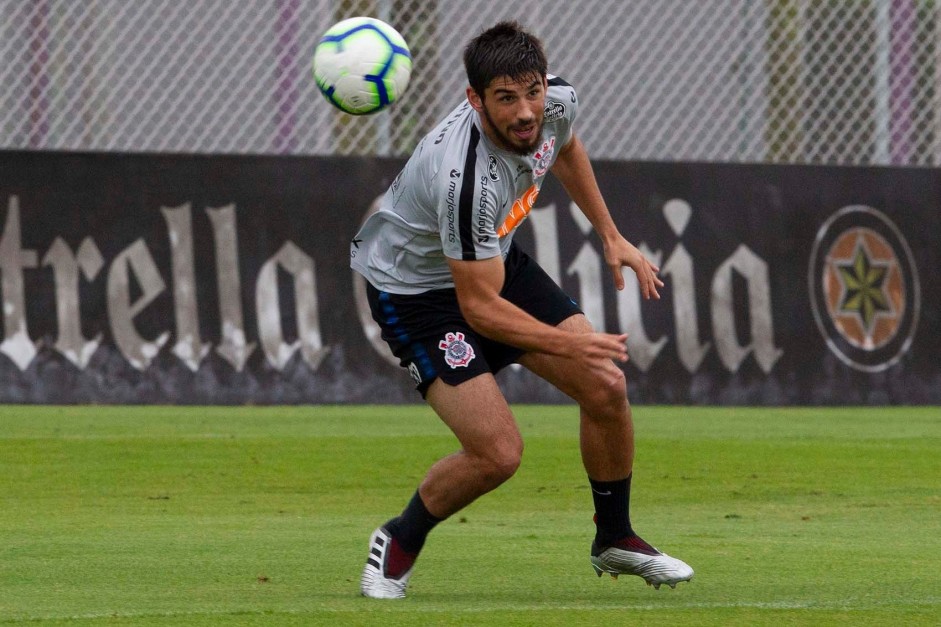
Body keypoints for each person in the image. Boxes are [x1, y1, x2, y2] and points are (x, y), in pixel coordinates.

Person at [350, 20, 693, 599]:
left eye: (531, 91)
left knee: (605, 387)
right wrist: (567, 342)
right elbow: (479, 309)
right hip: (415, 296)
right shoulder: (462, 181)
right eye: (506, 99)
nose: (527, 111)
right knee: (498, 454)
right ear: (474, 100)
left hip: (493, 261)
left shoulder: (554, 101)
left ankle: (614, 537)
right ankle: (398, 540)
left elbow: (567, 148)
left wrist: (610, 234)